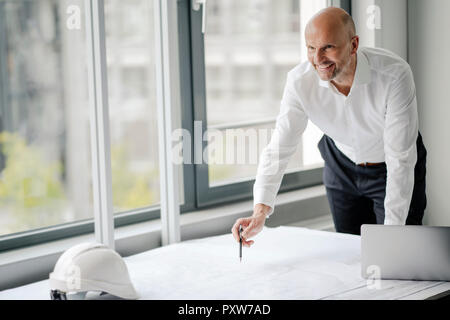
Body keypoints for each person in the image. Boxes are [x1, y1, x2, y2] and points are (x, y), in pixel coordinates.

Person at [231, 7, 427, 247]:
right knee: (349, 252)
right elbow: (279, 148)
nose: (318, 59)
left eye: (328, 47)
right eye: (311, 48)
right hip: (341, 166)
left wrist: (391, 240)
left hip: (391, 167)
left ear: (354, 45)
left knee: (398, 254)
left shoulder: (394, 75)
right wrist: (260, 212)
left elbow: (400, 160)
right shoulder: (299, 82)